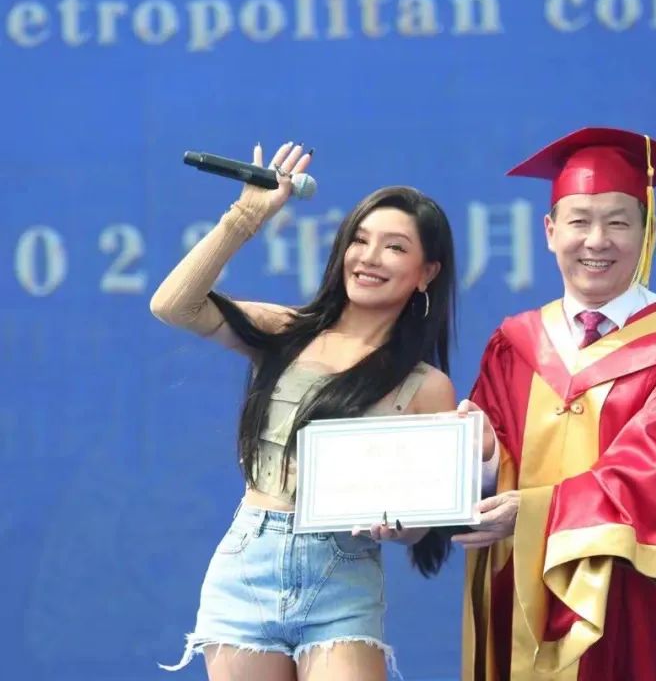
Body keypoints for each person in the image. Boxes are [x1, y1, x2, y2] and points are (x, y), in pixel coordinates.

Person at [150, 140, 461, 681]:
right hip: (248, 563)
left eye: (394, 247)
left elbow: (421, 526)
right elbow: (172, 305)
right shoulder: (286, 331)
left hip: (344, 573)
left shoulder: (428, 387)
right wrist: (245, 216)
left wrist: (400, 526)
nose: (369, 257)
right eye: (359, 240)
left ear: (426, 272)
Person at [452, 127, 656, 680]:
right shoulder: (516, 345)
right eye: (579, 221)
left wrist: (536, 510)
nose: (596, 241)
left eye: (618, 222)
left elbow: (655, 484)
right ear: (550, 232)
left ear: (646, 232)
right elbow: (493, 469)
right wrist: (483, 456)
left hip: (639, 608)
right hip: (526, 598)